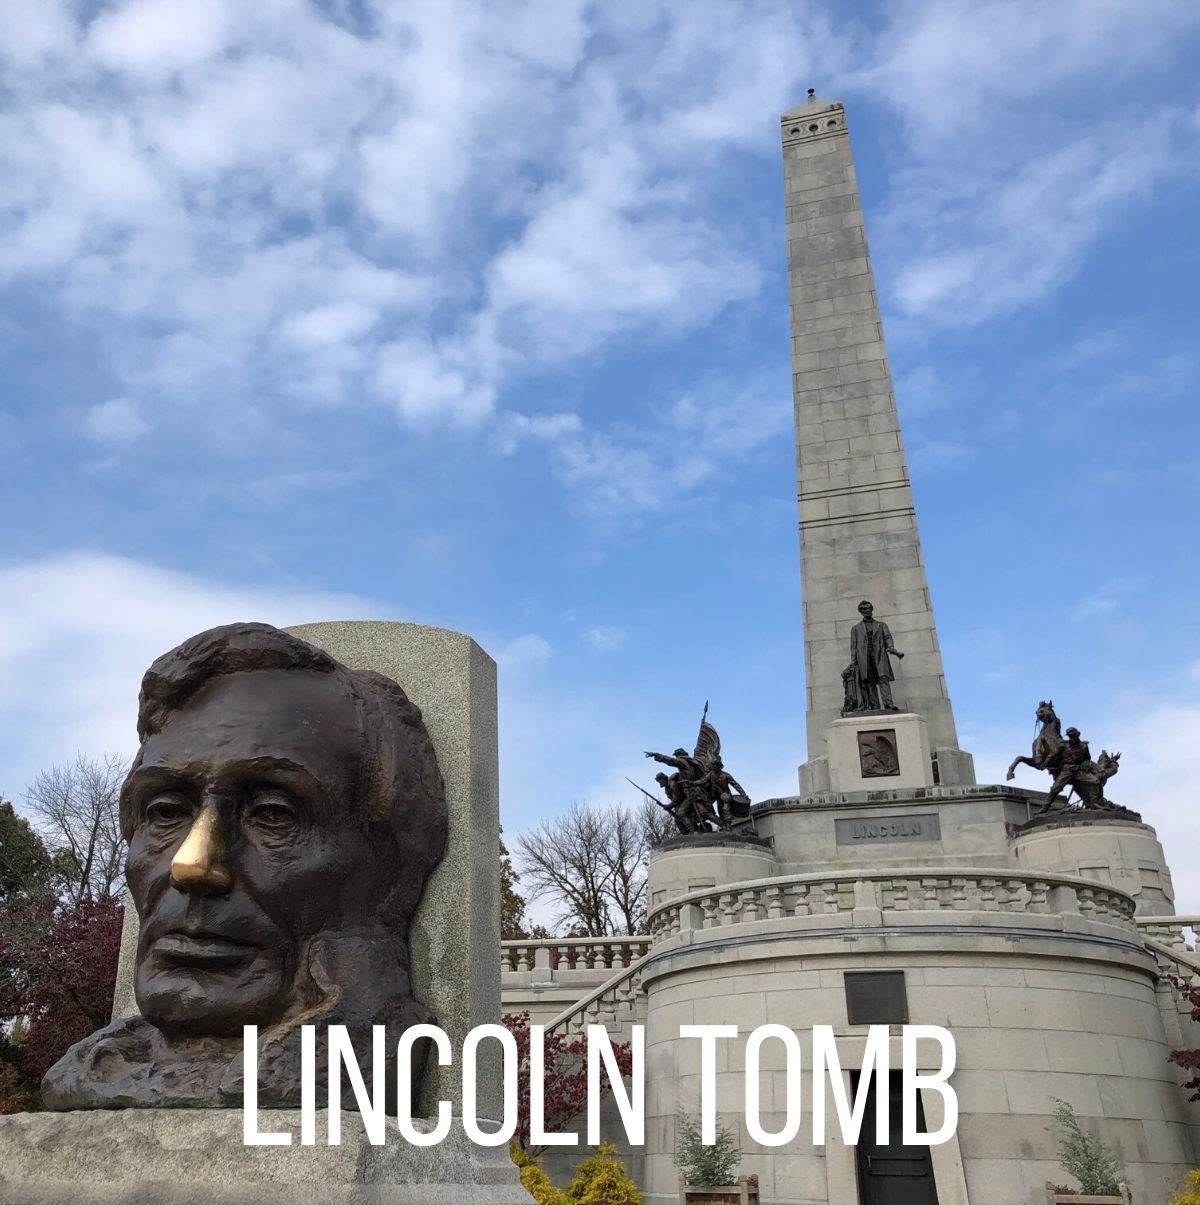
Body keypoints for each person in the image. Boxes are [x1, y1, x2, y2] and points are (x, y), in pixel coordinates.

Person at [42, 622, 447, 1111]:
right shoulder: (94, 1067)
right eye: (166, 812)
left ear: (387, 873)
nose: (192, 866)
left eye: (274, 814)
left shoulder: (368, 1063)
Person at [849, 600, 904, 710]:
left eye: (869, 608)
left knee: (883, 678)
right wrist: (854, 662)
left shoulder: (881, 625)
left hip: (879, 654)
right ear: (860, 611)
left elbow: (888, 637)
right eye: (864, 609)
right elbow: (854, 647)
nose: (867, 610)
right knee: (869, 681)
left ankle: (888, 703)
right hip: (864, 658)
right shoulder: (855, 628)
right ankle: (875, 705)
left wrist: (891, 647)